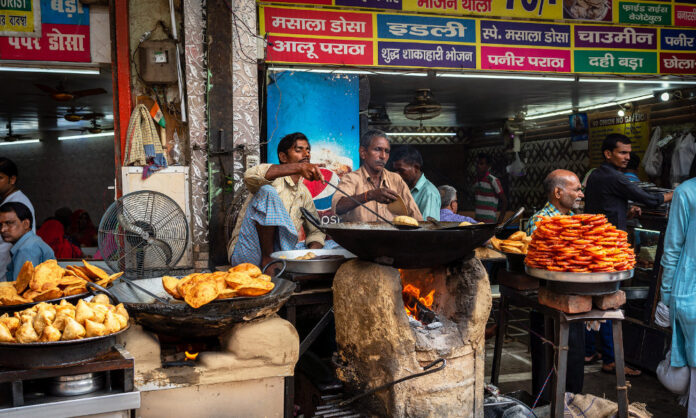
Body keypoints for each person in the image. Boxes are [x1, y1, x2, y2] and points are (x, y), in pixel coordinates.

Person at [584, 134, 671, 376]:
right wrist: (677, 193)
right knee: (610, 304)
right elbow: (651, 199)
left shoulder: (596, 176)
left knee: (596, 301)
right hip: (609, 252)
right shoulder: (614, 177)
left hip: (598, 248)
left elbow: (607, 208)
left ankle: (591, 351)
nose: (627, 157)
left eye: (628, 153)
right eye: (622, 152)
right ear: (608, 153)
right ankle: (611, 360)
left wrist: (626, 212)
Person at [525, 170, 586, 399]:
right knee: (548, 372)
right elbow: (545, 264)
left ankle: (573, 409)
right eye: (577, 189)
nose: (581, 194)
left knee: (573, 369)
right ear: (558, 192)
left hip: (574, 303)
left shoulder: (576, 220)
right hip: (548, 306)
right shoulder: (541, 221)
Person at [228, 132, 326, 268]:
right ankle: (269, 260)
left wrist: (312, 255)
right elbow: (250, 175)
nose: (306, 154)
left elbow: (315, 231)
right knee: (267, 192)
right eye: (299, 150)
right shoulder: (272, 179)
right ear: (283, 157)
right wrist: (299, 167)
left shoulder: (303, 192)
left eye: (308, 150)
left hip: (282, 254)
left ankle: (277, 262)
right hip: (249, 255)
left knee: (336, 247)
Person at [660, 172, 696, 416]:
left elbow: (672, 248)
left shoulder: (686, 191)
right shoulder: (686, 192)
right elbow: (672, 250)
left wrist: (665, 299)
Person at [332, 129, 422, 222]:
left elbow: (415, 215)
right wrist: (369, 195)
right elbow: (338, 207)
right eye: (377, 149)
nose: (383, 156)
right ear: (363, 152)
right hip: (360, 237)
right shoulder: (351, 179)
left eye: (386, 151)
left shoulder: (396, 179)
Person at [0, 202, 54, 281]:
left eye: (9, 223)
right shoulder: (32, 242)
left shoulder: (26, 249)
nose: (2, 229)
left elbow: (21, 289)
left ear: (26, 224)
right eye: (0, 225)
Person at [0, 158, 35, 278]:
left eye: (0, 178)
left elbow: (19, 241)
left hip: (9, 269)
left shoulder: (19, 203)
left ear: (12, 179)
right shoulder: (7, 202)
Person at [391, 146, 440, 220]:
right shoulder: (400, 188)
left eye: (401, 170)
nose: (397, 175)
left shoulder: (429, 193)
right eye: (395, 170)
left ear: (416, 168)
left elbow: (428, 227)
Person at [474, 153, 508, 224]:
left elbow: (504, 201)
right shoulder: (476, 180)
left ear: (488, 166)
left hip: (490, 224)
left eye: (481, 163)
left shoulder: (493, 180)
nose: (478, 166)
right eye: (477, 163)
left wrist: (499, 222)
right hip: (477, 223)